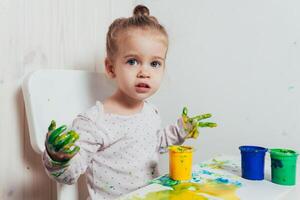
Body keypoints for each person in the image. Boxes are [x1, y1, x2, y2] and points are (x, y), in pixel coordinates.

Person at [43, 5, 217, 200]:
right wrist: (58, 158)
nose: (145, 72)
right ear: (110, 68)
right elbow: (68, 176)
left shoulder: (150, 112)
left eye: (155, 63)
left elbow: (153, 145)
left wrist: (180, 130)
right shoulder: (95, 121)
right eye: (133, 61)